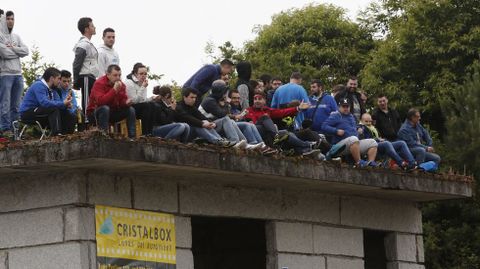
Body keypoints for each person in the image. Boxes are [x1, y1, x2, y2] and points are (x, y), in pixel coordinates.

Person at [246, 93, 319, 157]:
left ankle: (307, 148)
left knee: (285, 133)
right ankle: (277, 136)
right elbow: (242, 121)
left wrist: (298, 108)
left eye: (259, 99)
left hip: (269, 138)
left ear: (264, 101)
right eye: (255, 99)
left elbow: (282, 112)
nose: (257, 101)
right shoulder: (248, 110)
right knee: (265, 117)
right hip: (256, 133)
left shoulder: (268, 110)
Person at [322, 98, 378, 167]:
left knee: (373, 142)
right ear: (339, 107)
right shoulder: (335, 115)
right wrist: (336, 131)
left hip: (354, 144)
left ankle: (370, 163)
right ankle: (359, 162)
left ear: (350, 107)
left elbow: (353, 126)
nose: (346, 108)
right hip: (340, 146)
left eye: (347, 106)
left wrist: (358, 128)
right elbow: (324, 126)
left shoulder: (351, 116)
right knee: (353, 139)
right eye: (343, 106)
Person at [19, 67, 74, 135]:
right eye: (59, 78)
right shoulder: (39, 85)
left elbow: (53, 103)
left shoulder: (49, 88)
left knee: (65, 112)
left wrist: (66, 105)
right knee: (54, 110)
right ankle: (57, 135)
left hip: (39, 111)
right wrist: (62, 103)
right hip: (27, 113)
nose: (59, 81)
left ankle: (69, 134)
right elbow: (44, 103)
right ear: (51, 78)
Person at [86, 64, 136, 138]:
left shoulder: (121, 85)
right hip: (95, 113)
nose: (118, 78)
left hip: (111, 112)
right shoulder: (99, 83)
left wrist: (126, 103)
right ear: (108, 75)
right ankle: (104, 137)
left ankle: (132, 137)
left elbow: (121, 101)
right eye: (115, 75)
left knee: (131, 110)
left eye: (119, 75)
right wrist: (114, 90)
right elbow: (101, 102)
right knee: (105, 108)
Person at [0, 10, 29, 134]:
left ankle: (15, 130)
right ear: (3, 20)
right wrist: (17, 53)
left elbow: (26, 51)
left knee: (16, 105)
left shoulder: (17, 37)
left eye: (12, 19)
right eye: (7, 19)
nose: (10, 21)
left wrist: (13, 48)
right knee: (5, 104)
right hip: (5, 74)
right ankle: (5, 129)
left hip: (18, 74)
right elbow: (4, 53)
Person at [199, 80, 250, 149]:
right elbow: (222, 114)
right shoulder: (210, 101)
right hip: (206, 129)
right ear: (220, 92)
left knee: (231, 121)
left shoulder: (215, 99)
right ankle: (234, 142)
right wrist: (227, 103)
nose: (225, 94)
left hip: (212, 125)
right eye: (225, 92)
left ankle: (245, 144)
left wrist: (225, 104)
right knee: (226, 119)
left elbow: (223, 113)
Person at [73, 17, 99, 120]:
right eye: (92, 25)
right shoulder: (83, 44)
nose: (94, 27)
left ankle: (91, 123)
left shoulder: (89, 44)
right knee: (87, 102)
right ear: (86, 29)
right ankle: (87, 123)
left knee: (93, 101)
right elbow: (76, 63)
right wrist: (76, 81)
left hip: (91, 76)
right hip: (86, 77)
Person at [124, 63, 156, 135]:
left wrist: (152, 98)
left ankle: (150, 133)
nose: (143, 76)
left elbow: (143, 100)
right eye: (141, 74)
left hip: (139, 106)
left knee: (153, 105)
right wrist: (143, 87)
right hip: (129, 108)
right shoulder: (129, 82)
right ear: (135, 74)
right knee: (146, 106)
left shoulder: (142, 82)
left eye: (145, 74)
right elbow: (134, 101)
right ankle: (145, 134)